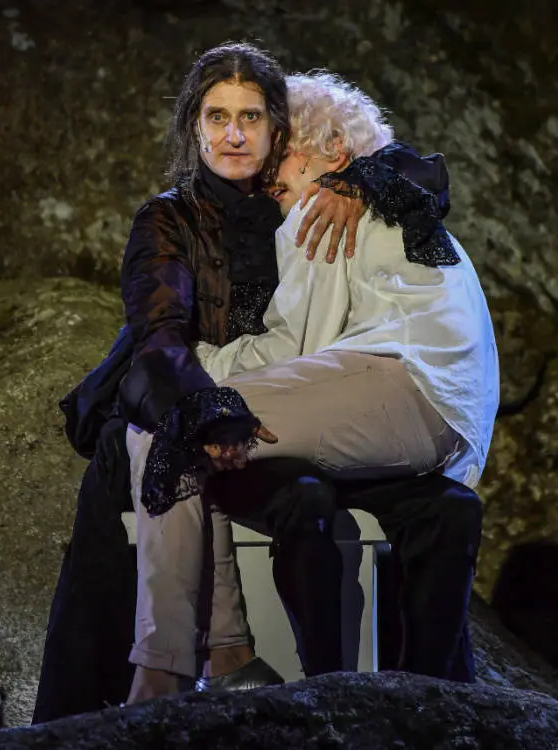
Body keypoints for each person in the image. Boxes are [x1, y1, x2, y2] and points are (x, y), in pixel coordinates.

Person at [130, 71, 499, 698]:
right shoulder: (386, 203)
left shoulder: (324, 208)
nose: (269, 176)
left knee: (169, 421)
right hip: (446, 415)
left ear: (332, 151)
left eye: (282, 152)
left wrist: (195, 362)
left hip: (398, 386)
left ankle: (179, 666)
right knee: (196, 426)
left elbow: (298, 342)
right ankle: (221, 652)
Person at [33, 42, 370, 722]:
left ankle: (325, 701)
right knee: (165, 446)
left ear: (275, 128)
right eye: (217, 117)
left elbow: (414, 172)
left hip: (267, 412)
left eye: (250, 117)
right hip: (168, 402)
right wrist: (209, 414)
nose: (234, 134)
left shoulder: (296, 198)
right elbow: (159, 338)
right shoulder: (167, 216)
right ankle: (193, 667)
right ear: (195, 126)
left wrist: (362, 183)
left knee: (310, 497)